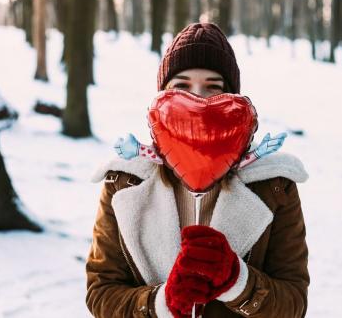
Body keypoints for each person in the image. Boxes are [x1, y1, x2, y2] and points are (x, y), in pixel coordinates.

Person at [86, 22, 310, 317]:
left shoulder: (274, 185)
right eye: (181, 86)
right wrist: (160, 303)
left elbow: (294, 300)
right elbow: (101, 292)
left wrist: (238, 283)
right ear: (162, 94)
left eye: (213, 87)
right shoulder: (124, 182)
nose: (198, 100)